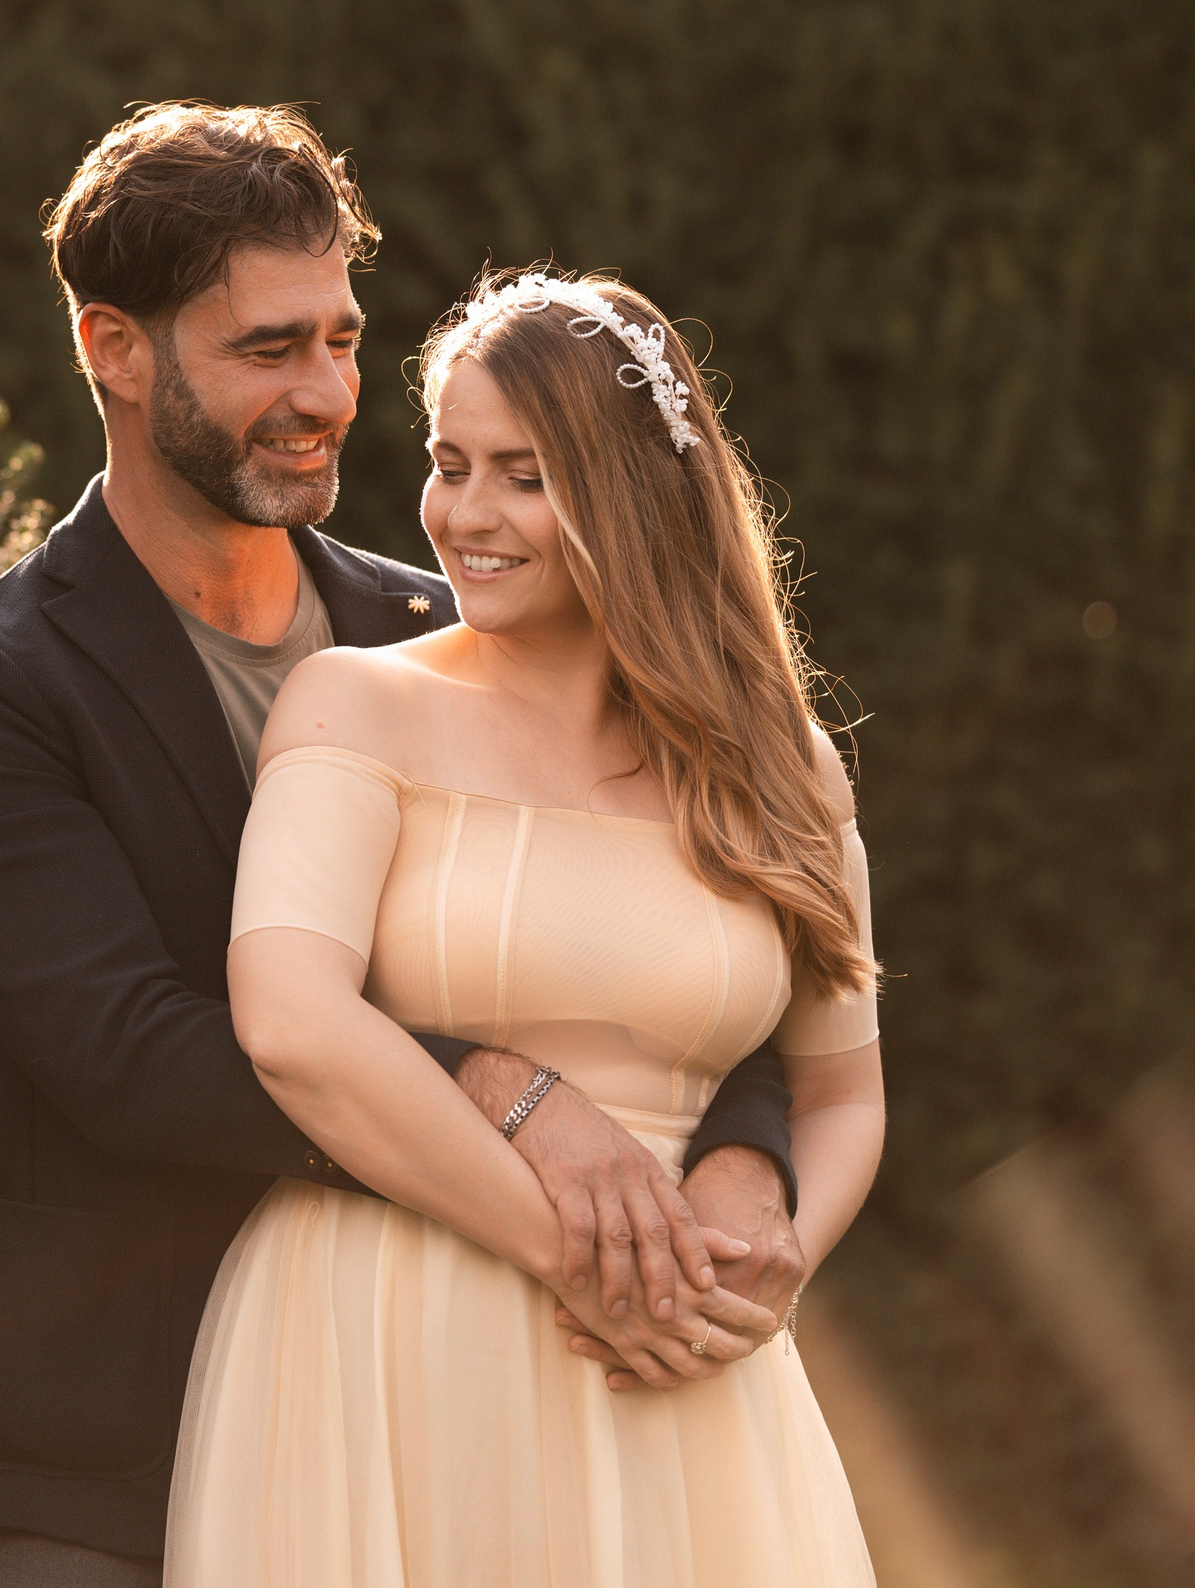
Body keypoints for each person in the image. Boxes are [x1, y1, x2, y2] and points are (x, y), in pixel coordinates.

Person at [0, 105, 810, 1587]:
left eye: (341, 339)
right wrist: (499, 1087)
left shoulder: (444, 627)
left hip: (467, 1397)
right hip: (106, 1445)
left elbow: (673, 941)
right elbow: (130, 1050)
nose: (325, 395)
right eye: (267, 349)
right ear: (115, 347)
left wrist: (752, 1157)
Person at [165, 268, 887, 1586]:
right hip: (393, 1325)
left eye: (524, 474)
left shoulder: (787, 767)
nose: (465, 515)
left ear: (634, 499)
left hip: (677, 1358)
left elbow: (843, 1093)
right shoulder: (352, 708)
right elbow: (289, 1022)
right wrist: (574, 1252)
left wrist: (773, 1251)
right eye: (450, 463)